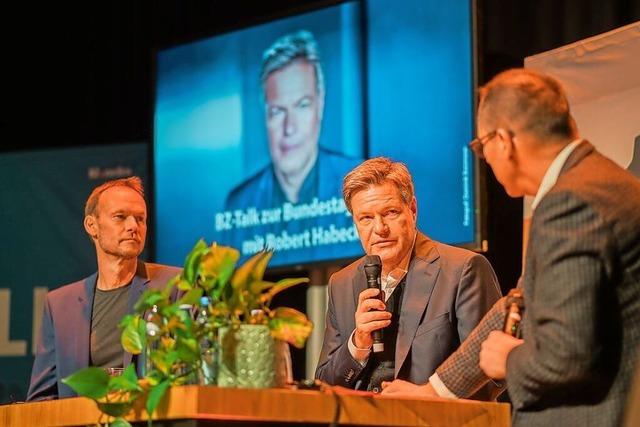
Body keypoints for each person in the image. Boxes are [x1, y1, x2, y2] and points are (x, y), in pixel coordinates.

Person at [386, 68, 640, 426]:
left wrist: (507, 361)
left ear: (503, 141)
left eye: (480, 146)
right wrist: (434, 390)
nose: (485, 158)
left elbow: (568, 357)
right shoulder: (596, 181)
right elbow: (517, 304)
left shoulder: (572, 201)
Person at [315, 157, 502, 392]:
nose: (380, 229)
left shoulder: (463, 269)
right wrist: (357, 343)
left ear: (412, 209)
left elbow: (492, 372)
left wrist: (430, 396)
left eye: (390, 213)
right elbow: (324, 384)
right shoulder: (341, 283)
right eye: (366, 218)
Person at [27, 177, 181, 401]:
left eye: (140, 219)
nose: (133, 226)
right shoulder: (60, 304)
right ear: (92, 226)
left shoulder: (175, 285)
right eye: (120, 217)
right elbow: (42, 399)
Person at [225, 30, 359, 209]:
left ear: (320, 105)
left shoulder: (366, 185)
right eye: (278, 111)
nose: (289, 128)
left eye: (302, 106)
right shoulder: (238, 204)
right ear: (265, 116)